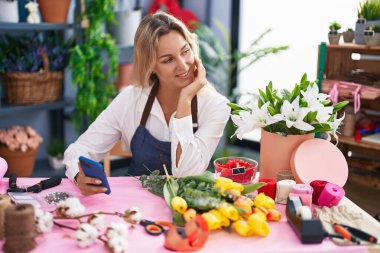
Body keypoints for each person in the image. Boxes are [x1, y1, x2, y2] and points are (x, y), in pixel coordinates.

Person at [63, 12, 230, 195]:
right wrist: (78, 175)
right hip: (134, 205)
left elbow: (186, 174)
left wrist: (185, 101)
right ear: (151, 66)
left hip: (187, 207)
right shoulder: (131, 99)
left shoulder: (216, 106)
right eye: (168, 60)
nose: (183, 66)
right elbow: (79, 150)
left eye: (185, 51)